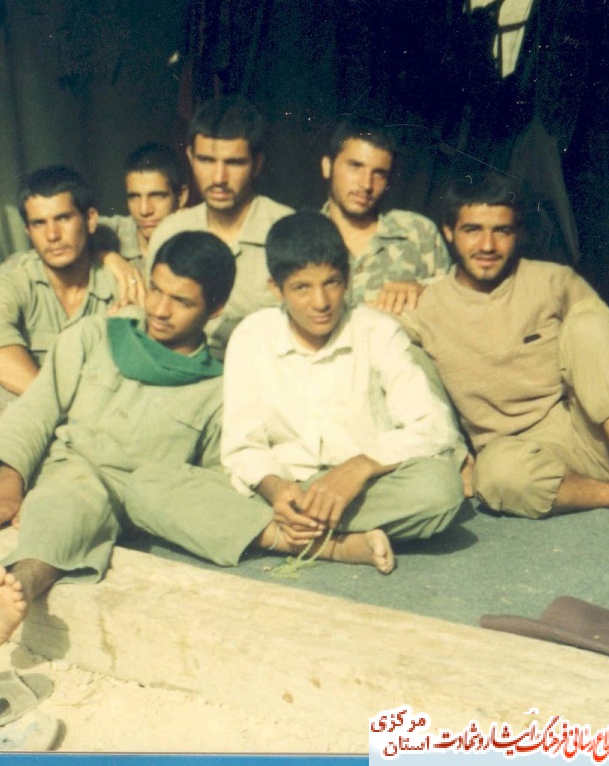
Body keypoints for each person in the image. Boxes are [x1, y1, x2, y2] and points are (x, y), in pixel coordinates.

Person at [0, 231, 264, 688]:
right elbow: (35, 413)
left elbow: (199, 482)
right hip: (29, 460)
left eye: (181, 301)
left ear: (215, 309)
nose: (160, 309)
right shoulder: (95, 336)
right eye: (156, 289)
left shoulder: (218, 390)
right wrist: (8, 485)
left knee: (69, 502)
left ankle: (13, 588)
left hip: (94, 493)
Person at [396, 172, 609, 530]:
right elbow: (365, 337)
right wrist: (393, 290)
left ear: (517, 233)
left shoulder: (552, 280)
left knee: (587, 322)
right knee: (495, 477)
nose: (487, 245)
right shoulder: (425, 305)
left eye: (501, 231)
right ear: (449, 232)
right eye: (473, 230)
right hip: (518, 456)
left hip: (598, 437)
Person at [221, 212, 465, 575]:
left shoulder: (377, 331)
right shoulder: (252, 335)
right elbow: (243, 446)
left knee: (440, 490)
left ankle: (279, 533)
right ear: (276, 289)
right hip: (286, 490)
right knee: (159, 487)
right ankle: (337, 545)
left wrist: (360, 467)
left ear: (348, 277)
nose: (321, 302)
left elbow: (433, 426)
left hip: (365, 490)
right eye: (302, 288)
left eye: (332, 283)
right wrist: (276, 489)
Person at [0, 165, 120, 410]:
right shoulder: (15, 280)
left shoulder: (119, 284)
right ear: (28, 231)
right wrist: (61, 406)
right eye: (39, 223)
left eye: (63, 218)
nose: (52, 235)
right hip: (40, 415)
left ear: (90, 220)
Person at [147, 95, 294, 357]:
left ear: (257, 164)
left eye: (234, 163)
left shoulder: (288, 231)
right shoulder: (170, 232)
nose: (219, 178)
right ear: (190, 157)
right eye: (206, 160)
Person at [320, 119, 451, 313]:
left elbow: (454, 305)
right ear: (327, 166)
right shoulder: (300, 238)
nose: (366, 184)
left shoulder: (417, 233)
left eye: (379, 174)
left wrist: (423, 291)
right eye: (355, 166)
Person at [100, 143, 190, 272]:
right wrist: (106, 256)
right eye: (134, 197)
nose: (144, 210)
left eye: (156, 196)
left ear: (182, 196)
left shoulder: (199, 235)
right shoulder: (116, 233)